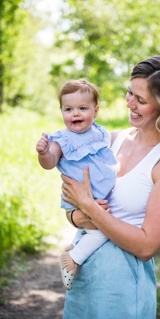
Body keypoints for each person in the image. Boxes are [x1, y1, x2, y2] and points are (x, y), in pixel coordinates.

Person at [59, 55, 160, 319]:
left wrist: (88, 208)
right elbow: (72, 200)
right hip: (83, 276)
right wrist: (76, 216)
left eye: (142, 100)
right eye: (130, 92)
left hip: (121, 288)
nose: (130, 103)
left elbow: (147, 246)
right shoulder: (110, 139)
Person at [36, 79, 118, 291]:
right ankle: (73, 258)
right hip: (79, 199)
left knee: (101, 226)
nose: (76, 114)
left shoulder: (100, 133)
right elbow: (50, 162)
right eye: (69, 109)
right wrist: (44, 153)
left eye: (83, 108)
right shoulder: (61, 139)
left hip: (98, 197)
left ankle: (75, 242)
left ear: (95, 111)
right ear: (61, 111)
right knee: (104, 231)